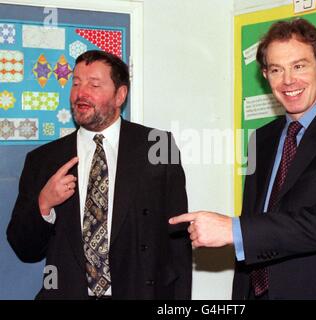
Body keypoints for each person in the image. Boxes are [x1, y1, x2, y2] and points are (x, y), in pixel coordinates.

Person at [170, 18, 316, 300]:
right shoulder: (261, 139)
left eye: (299, 66)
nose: (288, 81)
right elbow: (257, 222)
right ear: (266, 76)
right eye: (276, 70)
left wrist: (232, 229)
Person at [7, 50, 191, 300]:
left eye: (94, 84)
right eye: (76, 83)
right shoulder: (44, 160)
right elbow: (24, 248)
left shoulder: (158, 147)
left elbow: (178, 244)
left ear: (120, 95)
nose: (80, 93)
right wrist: (44, 204)